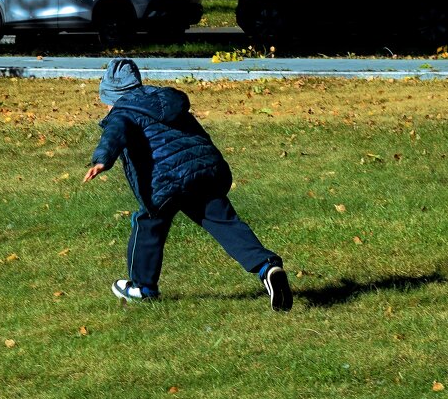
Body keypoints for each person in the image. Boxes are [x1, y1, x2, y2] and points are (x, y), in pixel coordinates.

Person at [82, 58, 292, 311]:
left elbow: (114, 133)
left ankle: (142, 286)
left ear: (113, 96)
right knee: (225, 222)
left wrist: (102, 160)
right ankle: (267, 267)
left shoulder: (122, 112)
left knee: (148, 222)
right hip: (204, 172)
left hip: (167, 180)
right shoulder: (165, 102)